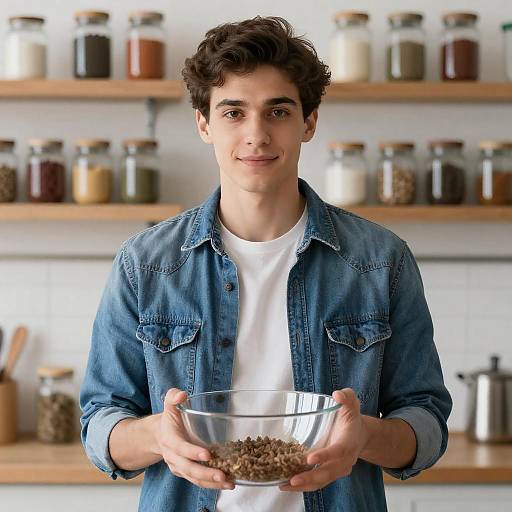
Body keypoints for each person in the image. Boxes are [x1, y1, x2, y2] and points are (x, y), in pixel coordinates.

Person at [80, 16, 452, 512]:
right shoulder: (146, 264)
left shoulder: (381, 261)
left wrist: (361, 436)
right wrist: (157, 437)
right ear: (204, 123)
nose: (256, 134)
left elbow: (425, 423)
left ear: (309, 122)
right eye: (233, 112)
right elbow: (100, 424)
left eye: (277, 111)